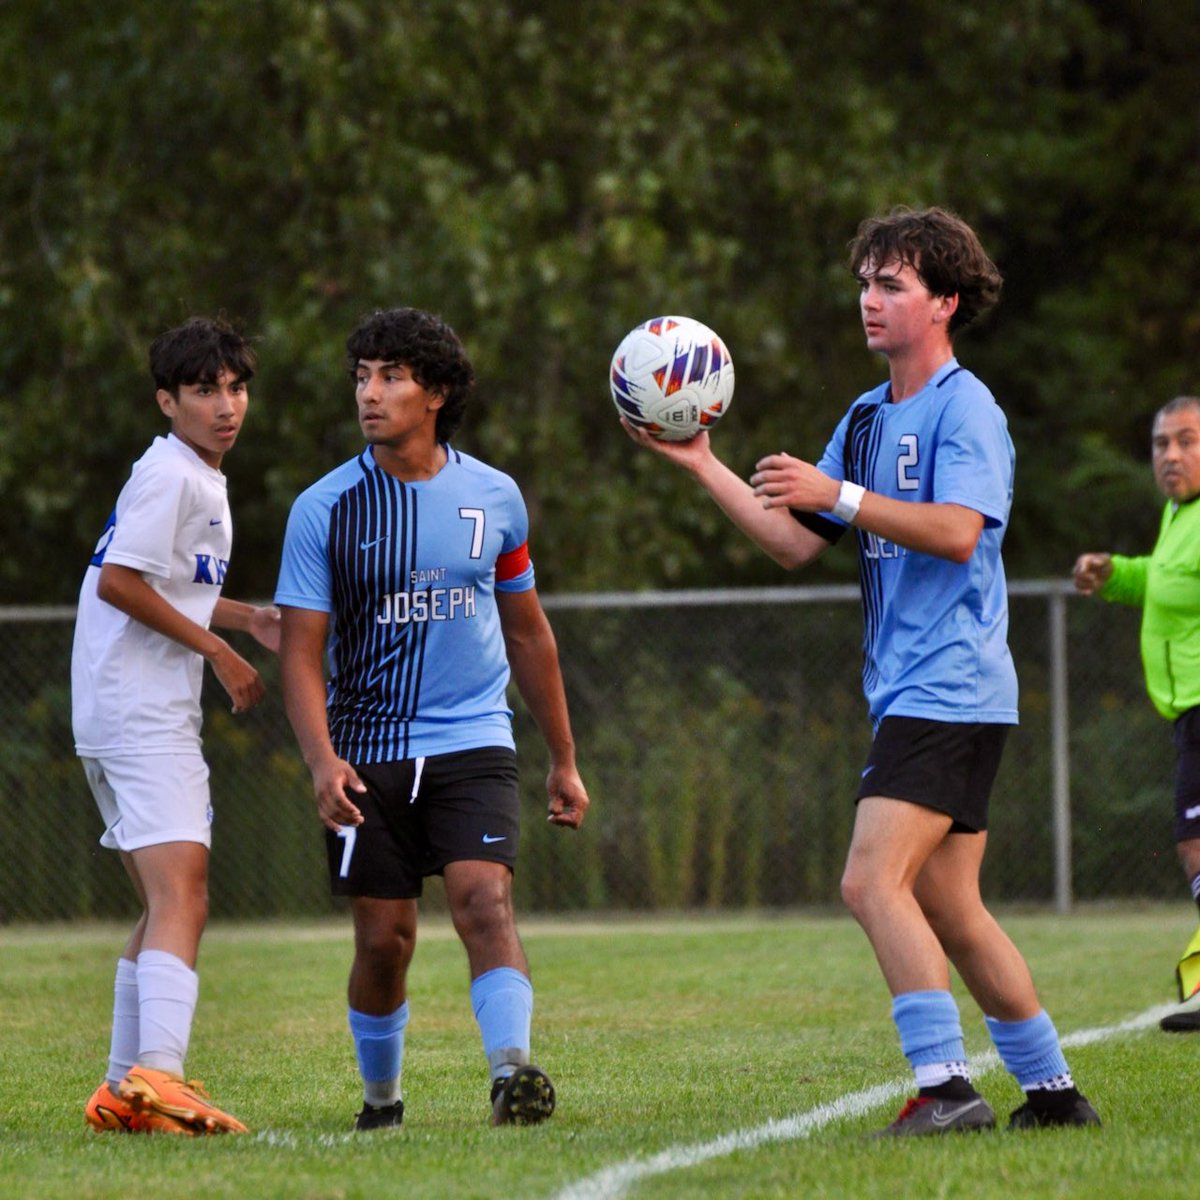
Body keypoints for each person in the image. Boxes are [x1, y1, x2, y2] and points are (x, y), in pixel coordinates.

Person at [624, 206, 1100, 1135]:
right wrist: (702, 463)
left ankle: (945, 1088)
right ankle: (1054, 1095)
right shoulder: (866, 415)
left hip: (950, 684)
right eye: (864, 284)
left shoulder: (967, 407)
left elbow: (958, 532)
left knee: (868, 882)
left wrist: (837, 492)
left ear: (945, 302)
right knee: (950, 906)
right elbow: (794, 543)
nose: (869, 301)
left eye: (892, 285)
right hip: (923, 692)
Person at [275, 307, 589, 1132]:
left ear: (437, 393)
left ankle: (512, 1075)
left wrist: (562, 757)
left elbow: (529, 633)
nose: (369, 394)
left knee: (485, 902)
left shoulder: (495, 497)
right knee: (385, 941)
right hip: (365, 752)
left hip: (473, 738)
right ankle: (381, 1103)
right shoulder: (324, 509)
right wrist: (321, 761)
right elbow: (300, 653)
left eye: (391, 377)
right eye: (361, 377)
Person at [73, 316, 280, 1135]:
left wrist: (245, 618)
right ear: (168, 401)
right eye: (204, 390)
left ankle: (122, 1090)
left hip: (123, 711)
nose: (226, 406)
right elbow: (120, 583)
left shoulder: (187, 472)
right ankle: (158, 1074)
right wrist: (221, 654)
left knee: (165, 902)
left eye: (236, 388)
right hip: (140, 712)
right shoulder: (172, 476)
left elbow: (161, 582)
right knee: (183, 895)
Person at [1073, 394, 1200, 1033]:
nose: (1171, 455)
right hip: (1190, 716)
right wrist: (1116, 574)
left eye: (1187, 440)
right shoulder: (1182, 516)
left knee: (1196, 844)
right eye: (1160, 443)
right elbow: (1168, 580)